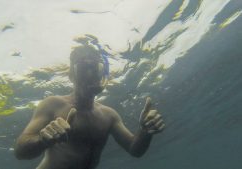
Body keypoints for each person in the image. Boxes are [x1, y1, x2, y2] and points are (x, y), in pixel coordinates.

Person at [14, 44, 165, 169]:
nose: (89, 74)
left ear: (101, 74)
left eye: (95, 68)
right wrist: (43, 139)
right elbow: (20, 152)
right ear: (71, 75)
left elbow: (134, 149)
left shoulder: (109, 115)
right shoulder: (53, 104)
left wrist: (145, 131)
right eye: (82, 68)